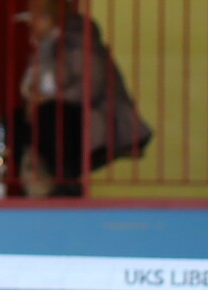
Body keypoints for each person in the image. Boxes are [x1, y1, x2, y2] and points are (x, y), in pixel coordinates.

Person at [12, 0, 151, 199]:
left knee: (52, 114)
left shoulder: (80, 43)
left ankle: (65, 183)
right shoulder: (45, 48)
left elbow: (90, 88)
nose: (31, 26)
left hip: (90, 119)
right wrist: (35, 99)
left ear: (49, 19)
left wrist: (47, 99)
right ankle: (41, 186)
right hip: (56, 118)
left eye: (35, 20)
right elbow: (31, 84)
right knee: (18, 121)